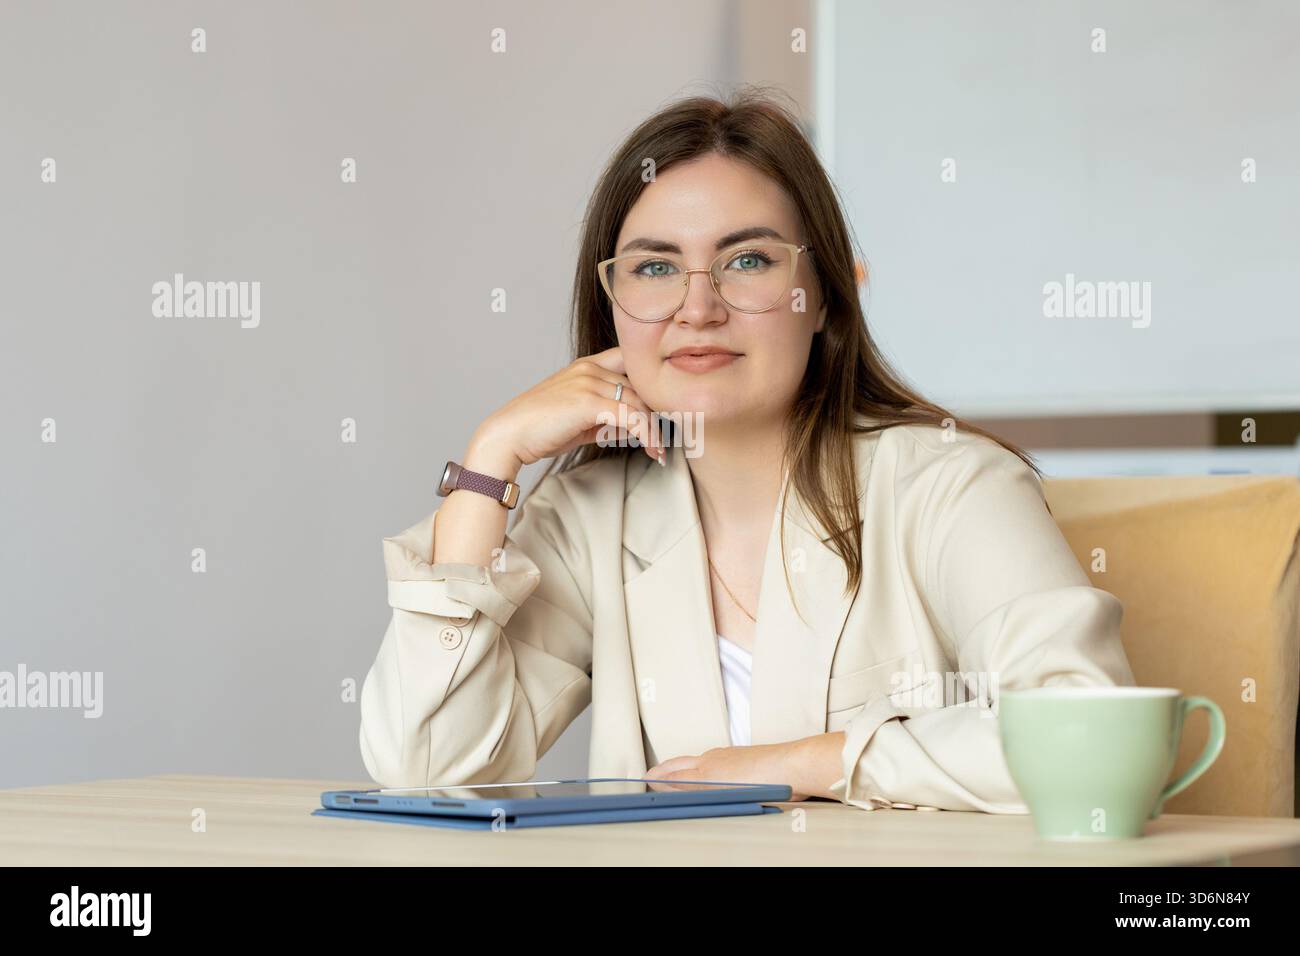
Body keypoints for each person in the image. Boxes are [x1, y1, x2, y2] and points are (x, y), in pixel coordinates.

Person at [358, 89, 1134, 813]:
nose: (698, 309)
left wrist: (810, 762)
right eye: (656, 268)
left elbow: (1094, 744)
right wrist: (489, 463)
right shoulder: (590, 517)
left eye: (749, 261)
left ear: (825, 297)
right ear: (614, 309)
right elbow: (427, 771)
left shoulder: (949, 484)